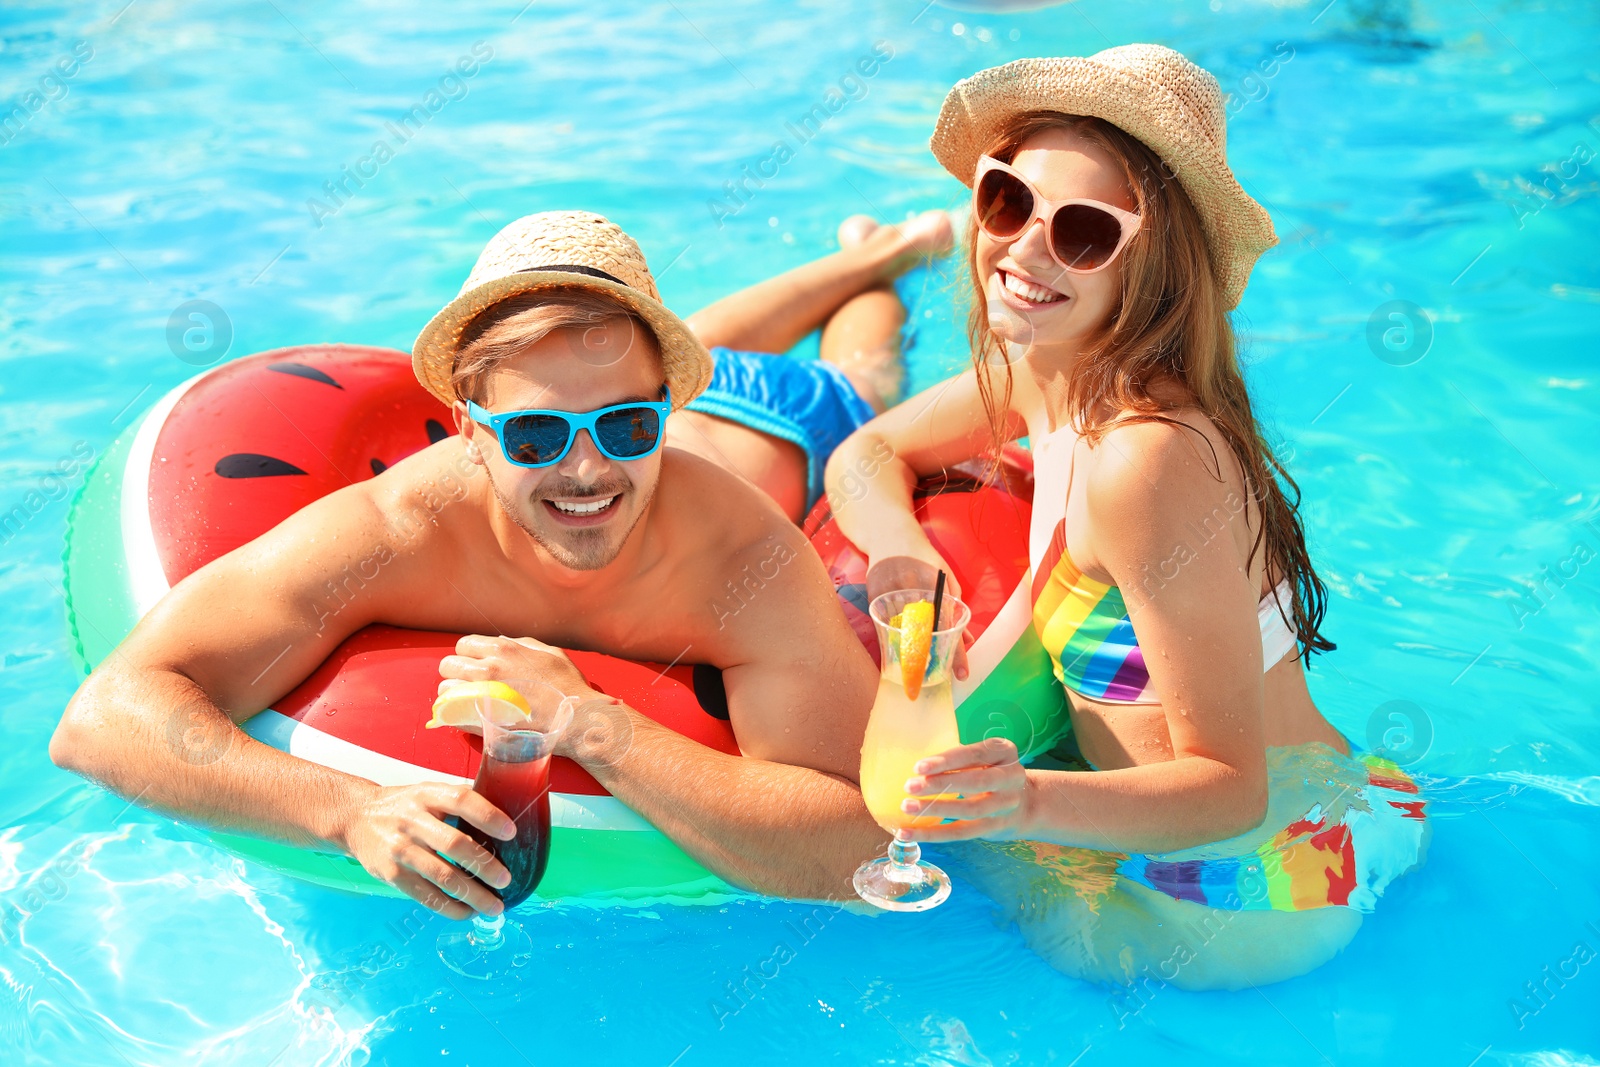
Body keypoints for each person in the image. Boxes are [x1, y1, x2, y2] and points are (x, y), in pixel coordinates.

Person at [51, 207, 952, 919]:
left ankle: (884, 260)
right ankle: (861, 254)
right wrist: (351, 810)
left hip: (786, 420)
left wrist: (596, 727)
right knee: (691, 337)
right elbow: (103, 721)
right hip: (672, 379)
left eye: (629, 426)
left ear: (663, 410)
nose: (586, 467)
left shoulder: (744, 556)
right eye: (534, 433)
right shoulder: (400, 528)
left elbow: (859, 853)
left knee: (862, 375)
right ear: (466, 432)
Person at [824, 46, 1428, 989]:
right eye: (1008, 201)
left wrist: (1018, 803)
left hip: (1241, 898)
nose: (1024, 249)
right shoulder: (1052, 371)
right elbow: (862, 454)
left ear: (1152, 269)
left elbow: (1230, 788)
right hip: (1355, 800)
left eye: (1083, 234)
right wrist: (904, 549)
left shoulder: (1143, 457)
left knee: (896, 869)